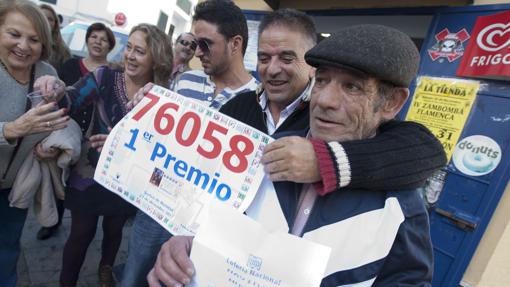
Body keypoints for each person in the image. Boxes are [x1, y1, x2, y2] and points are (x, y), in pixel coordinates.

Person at [149, 24, 438, 287]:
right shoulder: (259, 152)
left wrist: (331, 162)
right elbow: (209, 223)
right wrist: (185, 246)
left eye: (352, 87)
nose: (324, 101)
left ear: (392, 103)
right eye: (322, 81)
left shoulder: (400, 206)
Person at [220, 8, 446, 195]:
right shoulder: (235, 108)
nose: (272, 69)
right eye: (264, 58)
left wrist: (325, 162)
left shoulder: (334, 116)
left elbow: (425, 150)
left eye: (287, 58)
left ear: (310, 65)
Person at [120, 1, 258, 286]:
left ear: (235, 44)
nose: (197, 52)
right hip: (156, 205)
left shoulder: (258, 100)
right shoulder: (185, 82)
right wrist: (145, 113)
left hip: (204, 224)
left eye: (206, 44)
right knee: (133, 277)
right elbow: (160, 142)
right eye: (196, 44)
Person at [34, 23, 172, 287]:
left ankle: (105, 273)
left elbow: (160, 148)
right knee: (81, 233)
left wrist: (122, 143)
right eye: (129, 47)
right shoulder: (104, 77)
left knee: (113, 230)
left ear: (156, 56)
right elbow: (70, 100)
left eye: (140, 51)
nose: (130, 55)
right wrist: (56, 88)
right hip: (90, 172)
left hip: (126, 179)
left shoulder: (162, 97)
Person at [0, 0, 68, 286]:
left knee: (7, 253)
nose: (23, 46)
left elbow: (53, 118)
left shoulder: (46, 73)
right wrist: (12, 129)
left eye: (34, 39)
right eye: (14, 34)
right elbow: (21, 126)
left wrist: (50, 144)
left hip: (14, 188)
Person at [37, 23, 116, 240]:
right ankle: (53, 221)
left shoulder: (113, 74)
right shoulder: (71, 64)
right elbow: (60, 95)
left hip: (92, 139)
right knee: (58, 177)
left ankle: (82, 223)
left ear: (110, 45)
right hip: (65, 130)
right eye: (94, 36)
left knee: (80, 186)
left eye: (103, 38)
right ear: (87, 39)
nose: (98, 41)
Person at [39, 4, 70, 72]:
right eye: (41, 16)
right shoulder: (23, 43)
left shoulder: (63, 51)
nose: (46, 21)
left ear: (55, 24)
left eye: (50, 19)